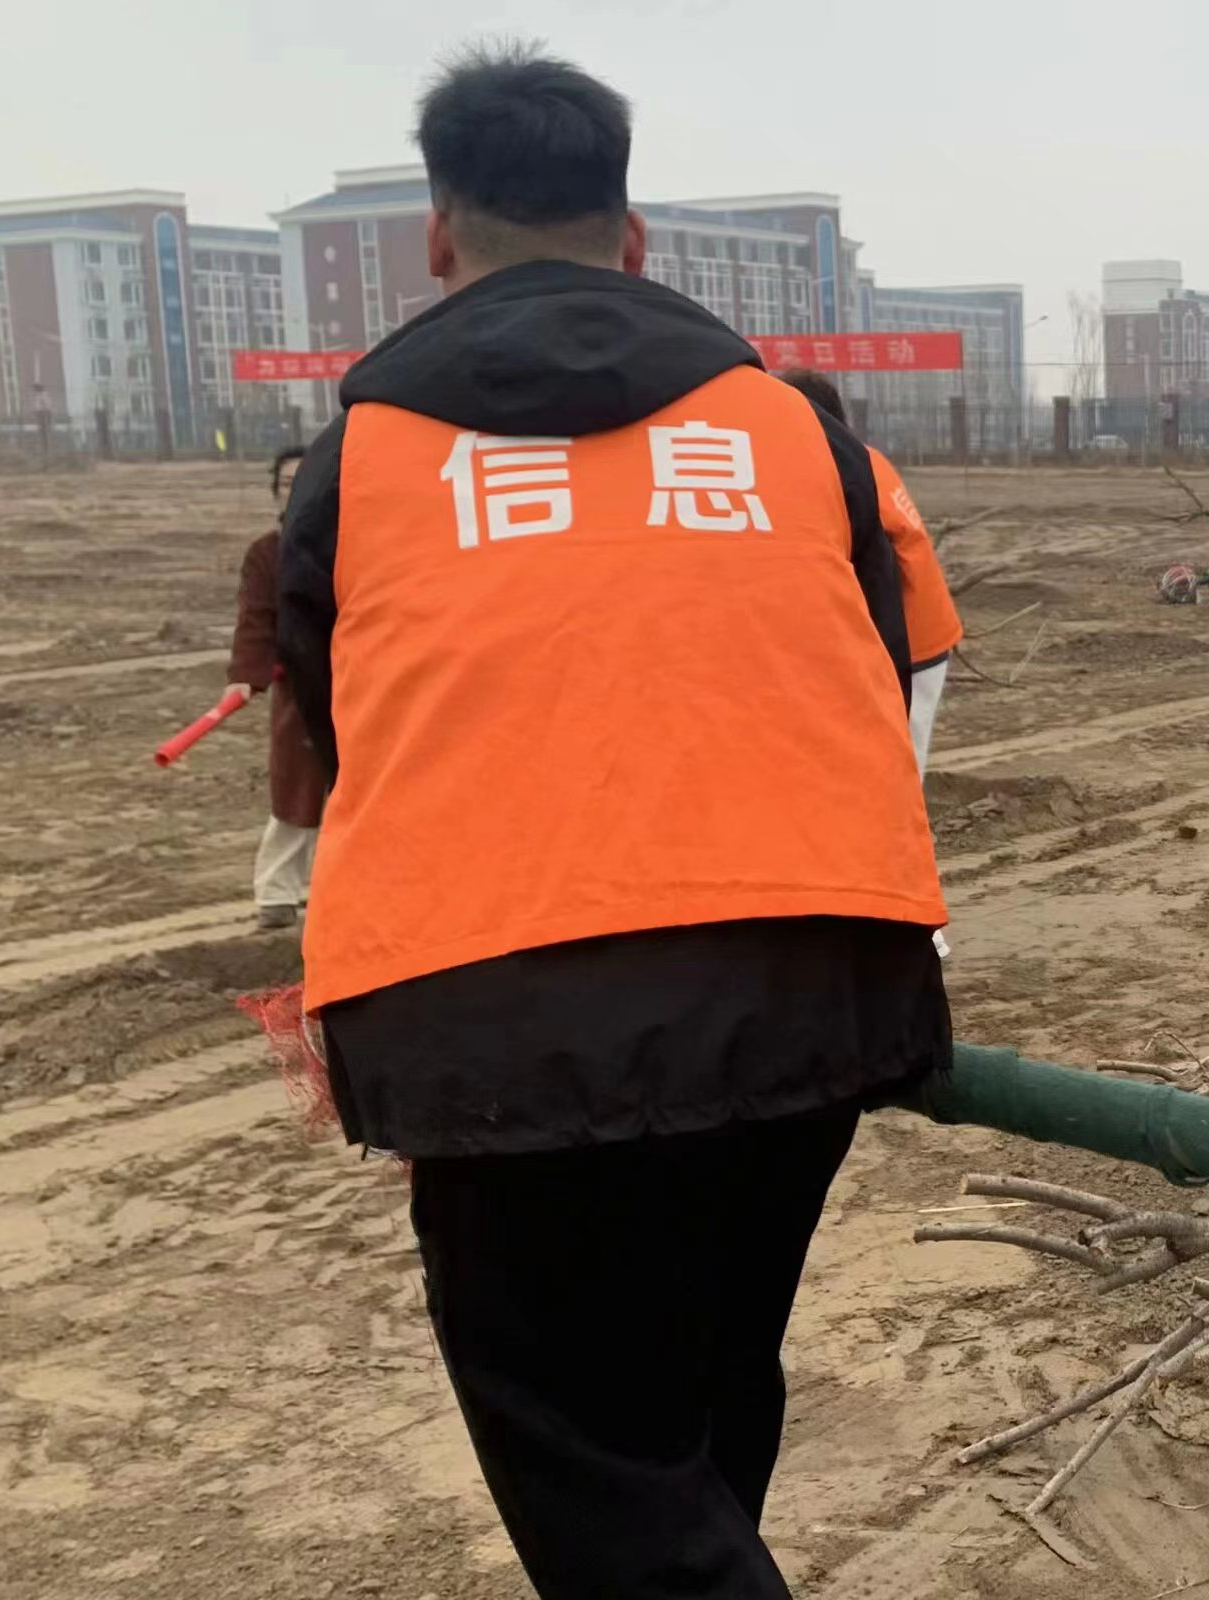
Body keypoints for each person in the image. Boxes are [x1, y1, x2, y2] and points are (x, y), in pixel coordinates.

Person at [272, 44, 949, 1600]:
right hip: (809, 982)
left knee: (598, 1469)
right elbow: (873, 659)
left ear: (438, 235)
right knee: (697, 1404)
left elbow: (338, 717)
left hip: (494, 1012)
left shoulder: (364, 459)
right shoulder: (788, 431)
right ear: (633, 236)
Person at [771, 367, 962, 768]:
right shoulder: (865, 460)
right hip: (918, 632)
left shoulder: (840, 471)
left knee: (900, 763)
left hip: (912, 642)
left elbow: (869, 570)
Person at [230, 446, 322, 929]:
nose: (295, 489)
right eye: (286, 483)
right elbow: (256, 621)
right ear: (275, 493)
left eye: (303, 480)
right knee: (295, 789)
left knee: (356, 789)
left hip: (357, 682)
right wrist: (247, 676)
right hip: (300, 687)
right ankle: (277, 893)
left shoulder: (349, 539)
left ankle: (331, 890)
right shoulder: (266, 554)